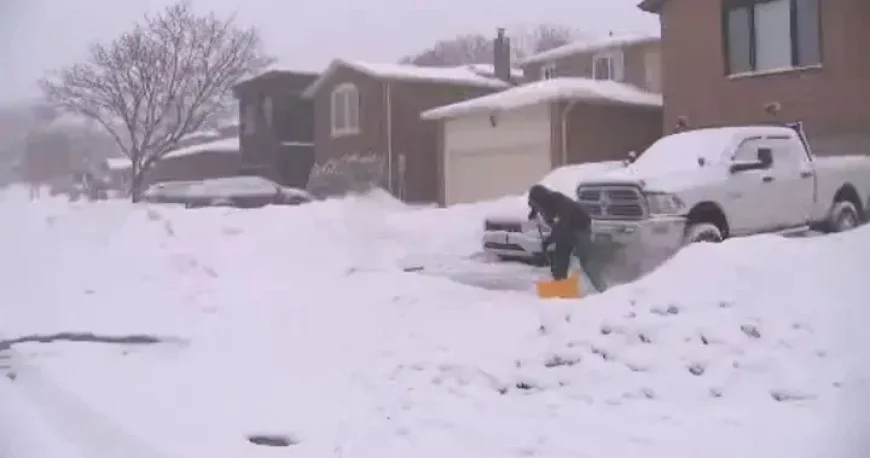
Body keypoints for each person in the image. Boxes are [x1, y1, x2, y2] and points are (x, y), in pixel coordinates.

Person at [527, 184, 608, 292]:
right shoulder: (541, 204)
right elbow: (535, 207)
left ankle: (602, 288)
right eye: (536, 205)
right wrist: (533, 212)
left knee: (585, 259)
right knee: (560, 257)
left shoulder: (558, 200)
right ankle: (561, 285)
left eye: (538, 204)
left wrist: (549, 240)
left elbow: (563, 223)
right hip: (566, 228)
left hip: (581, 225)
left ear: (544, 199)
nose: (538, 207)